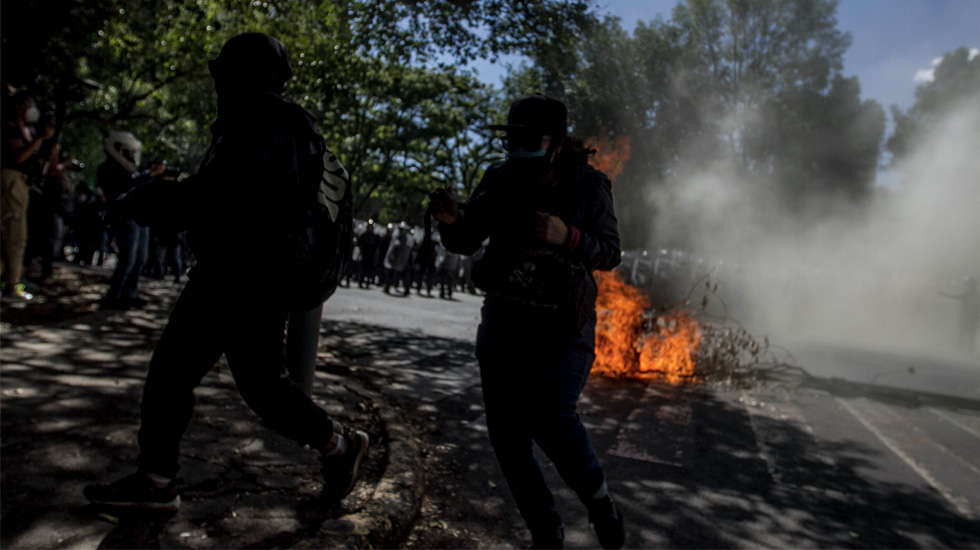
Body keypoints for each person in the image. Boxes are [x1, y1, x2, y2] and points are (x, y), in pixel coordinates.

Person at [83, 32, 369, 513]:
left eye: (224, 75)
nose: (219, 84)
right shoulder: (284, 126)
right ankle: (336, 447)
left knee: (217, 381)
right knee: (246, 386)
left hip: (241, 276)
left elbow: (217, 199)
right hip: (245, 275)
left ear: (239, 76)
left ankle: (338, 446)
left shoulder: (258, 119)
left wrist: (144, 199)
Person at [429, 94, 625, 549]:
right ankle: (546, 531)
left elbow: (610, 252)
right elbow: (466, 238)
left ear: (556, 143)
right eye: (513, 139)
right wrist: (452, 220)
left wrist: (567, 236)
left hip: (563, 327)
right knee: (507, 436)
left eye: (529, 139)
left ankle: (600, 501)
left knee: (552, 417)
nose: (519, 147)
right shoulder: (499, 177)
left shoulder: (589, 185)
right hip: (503, 321)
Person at [1, 90, 56, 300]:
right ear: (18, 107)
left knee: (18, 238)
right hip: (11, 181)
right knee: (14, 236)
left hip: (22, 184)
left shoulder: (28, 130)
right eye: (28, 104)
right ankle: (11, 286)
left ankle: (13, 280)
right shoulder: (10, 127)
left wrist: (47, 139)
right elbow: (17, 157)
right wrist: (40, 138)